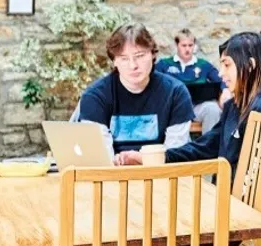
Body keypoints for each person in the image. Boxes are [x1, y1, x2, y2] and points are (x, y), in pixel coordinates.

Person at [119, 32, 261, 214]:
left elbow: (256, 175)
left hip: (258, 213)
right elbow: (206, 146)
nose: (221, 73)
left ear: (250, 65)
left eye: (227, 65)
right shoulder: (238, 104)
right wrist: (155, 158)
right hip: (233, 203)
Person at [76, 24, 195, 156]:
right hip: (113, 173)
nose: (133, 65)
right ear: (114, 61)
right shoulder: (95, 96)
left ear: (152, 54)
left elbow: (174, 155)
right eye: (124, 58)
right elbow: (101, 158)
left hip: (160, 171)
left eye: (139, 56)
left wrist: (142, 160)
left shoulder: (175, 93)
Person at [155, 28, 225, 135]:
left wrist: (225, 91)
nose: (187, 49)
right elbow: (152, 80)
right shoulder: (164, 64)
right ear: (177, 45)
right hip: (173, 108)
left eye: (190, 45)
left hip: (196, 107)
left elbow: (222, 79)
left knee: (213, 109)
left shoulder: (203, 65)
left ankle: (208, 148)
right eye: (184, 45)